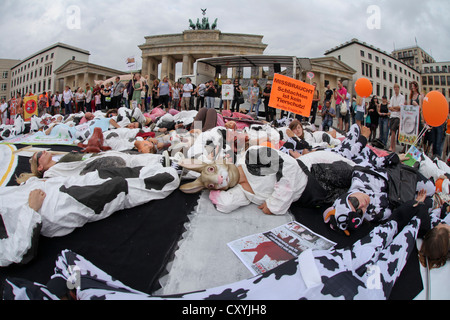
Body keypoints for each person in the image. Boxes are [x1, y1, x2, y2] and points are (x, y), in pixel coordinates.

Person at [388, 83, 404, 153]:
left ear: (398, 88)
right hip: (392, 116)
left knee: (394, 131)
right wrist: (394, 108)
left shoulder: (402, 97)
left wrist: (393, 108)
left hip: (398, 116)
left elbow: (400, 107)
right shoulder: (392, 97)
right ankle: (392, 145)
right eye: (395, 88)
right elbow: (390, 107)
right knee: (392, 131)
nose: (396, 89)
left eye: (397, 88)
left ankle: (392, 146)